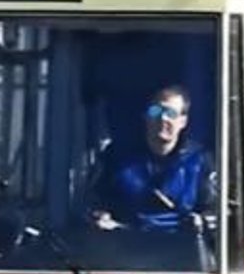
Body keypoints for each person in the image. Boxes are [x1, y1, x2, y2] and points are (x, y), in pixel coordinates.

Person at [92, 85, 217, 233]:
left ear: (183, 122)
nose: (163, 118)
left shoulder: (200, 160)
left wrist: (200, 221)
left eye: (171, 113)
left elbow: (215, 212)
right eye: (156, 111)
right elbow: (93, 203)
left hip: (183, 249)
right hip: (127, 246)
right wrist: (101, 217)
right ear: (145, 116)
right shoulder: (116, 157)